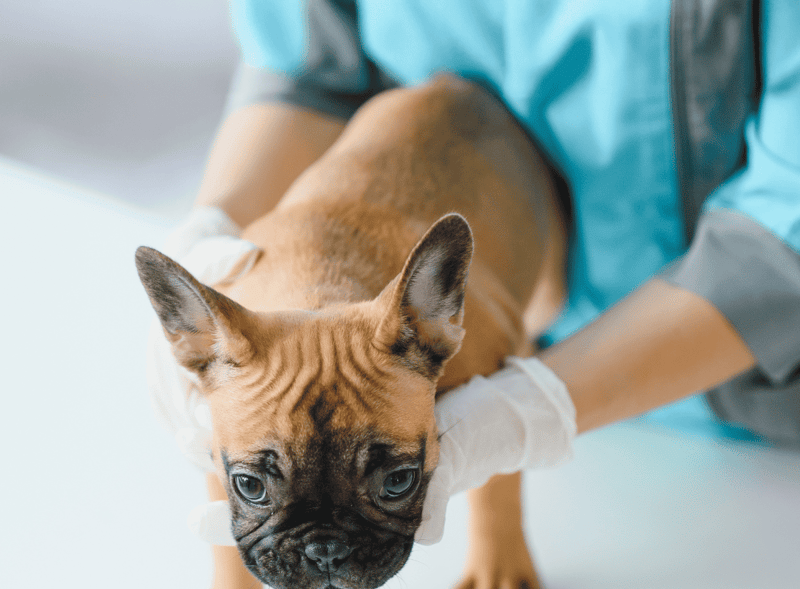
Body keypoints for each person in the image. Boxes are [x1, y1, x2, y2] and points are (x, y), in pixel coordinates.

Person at [158, 0, 800, 548]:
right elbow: (311, 71)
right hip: (415, 360)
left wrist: (527, 414)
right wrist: (216, 241)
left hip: (743, 396)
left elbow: (780, 230)